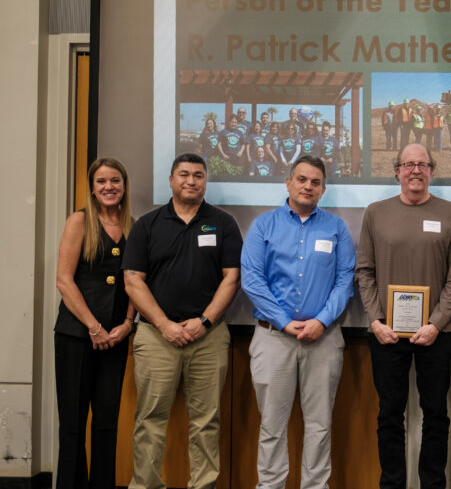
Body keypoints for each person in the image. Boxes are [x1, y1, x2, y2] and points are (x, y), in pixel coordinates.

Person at [122, 153, 242, 489]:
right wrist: (165, 325)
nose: (191, 181)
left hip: (209, 337)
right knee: (150, 419)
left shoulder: (223, 223)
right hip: (156, 336)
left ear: (205, 181)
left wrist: (204, 321)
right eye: (184, 174)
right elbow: (133, 280)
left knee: (207, 421)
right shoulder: (147, 224)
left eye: (198, 175)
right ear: (171, 180)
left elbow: (232, 278)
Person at [241, 155, 356, 489]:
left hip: (323, 340)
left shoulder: (336, 228)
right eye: (302, 179)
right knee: (272, 426)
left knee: (320, 425)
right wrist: (283, 321)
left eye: (315, 182)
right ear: (288, 183)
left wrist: (321, 320)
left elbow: (345, 280)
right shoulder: (263, 225)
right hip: (273, 338)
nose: (308, 186)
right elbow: (252, 280)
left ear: (323, 189)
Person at [355, 143, 451, 489]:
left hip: (437, 335)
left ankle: (433, 484)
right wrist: (376, 321)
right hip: (386, 334)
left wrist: (435, 324)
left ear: (432, 171)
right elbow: (365, 271)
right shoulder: (375, 213)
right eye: (408, 164)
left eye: (422, 164)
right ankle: (392, 484)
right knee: (390, 415)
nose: (415, 170)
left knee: (436, 415)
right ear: (397, 172)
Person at [53, 157, 136, 489]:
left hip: (115, 337)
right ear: (92, 187)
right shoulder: (79, 221)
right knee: (73, 424)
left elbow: (135, 281)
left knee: (107, 423)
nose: (109, 187)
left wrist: (128, 323)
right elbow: (63, 280)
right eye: (101, 181)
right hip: (76, 335)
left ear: (124, 186)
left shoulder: (134, 226)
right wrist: (93, 327)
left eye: (115, 180)